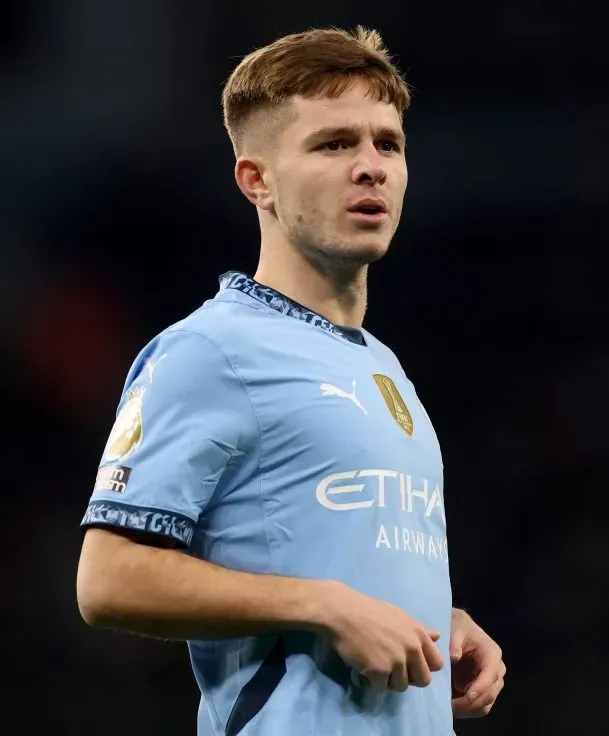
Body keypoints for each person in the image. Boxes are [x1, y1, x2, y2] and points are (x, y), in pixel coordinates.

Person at [75, 26, 505, 736]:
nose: (370, 167)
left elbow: (339, 556)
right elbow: (107, 578)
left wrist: (436, 617)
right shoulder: (210, 349)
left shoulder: (381, 364)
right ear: (257, 180)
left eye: (387, 144)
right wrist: (324, 606)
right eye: (334, 144)